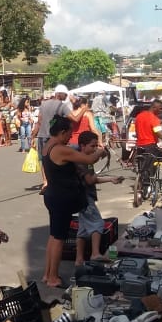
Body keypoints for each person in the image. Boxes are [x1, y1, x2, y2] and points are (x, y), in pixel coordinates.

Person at [41, 116, 108, 288]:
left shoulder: (47, 146)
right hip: (61, 197)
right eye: (69, 134)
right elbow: (90, 160)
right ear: (62, 132)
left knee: (53, 236)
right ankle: (53, 277)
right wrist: (101, 150)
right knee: (59, 238)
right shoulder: (60, 149)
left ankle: (47, 274)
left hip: (52, 195)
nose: (71, 137)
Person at [74, 131, 123, 266]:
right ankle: (95, 253)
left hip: (81, 197)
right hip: (84, 198)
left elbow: (92, 179)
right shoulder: (84, 161)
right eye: (92, 146)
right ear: (82, 146)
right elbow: (90, 180)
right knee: (97, 223)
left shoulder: (85, 159)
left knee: (83, 229)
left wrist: (110, 179)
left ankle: (79, 259)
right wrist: (109, 179)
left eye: (96, 146)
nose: (95, 149)